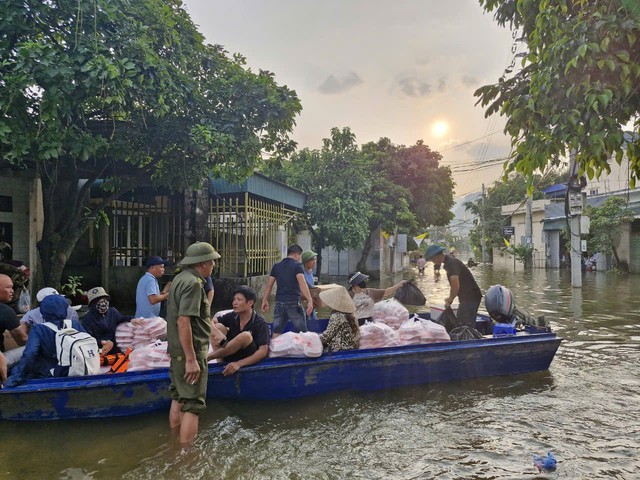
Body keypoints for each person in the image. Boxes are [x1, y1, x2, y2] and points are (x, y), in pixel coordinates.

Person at [166, 241, 220, 444]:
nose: (214, 265)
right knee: (193, 404)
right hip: (190, 351)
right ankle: (186, 457)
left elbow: (173, 318)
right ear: (203, 263)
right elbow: (183, 321)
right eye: (212, 262)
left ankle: (173, 442)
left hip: (176, 349)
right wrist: (191, 358)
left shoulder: (179, 279)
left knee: (179, 396)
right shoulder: (194, 284)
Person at [5, 295, 87, 387]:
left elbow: (29, 355)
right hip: (75, 370)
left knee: (13, 369)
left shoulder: (39, 330)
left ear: (43, 311)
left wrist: (14, 380)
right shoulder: (75, 324)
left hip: (47, 374)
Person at [208, 286, 269, 376]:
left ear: (250, 303)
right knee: (217, 326)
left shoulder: (260, 322)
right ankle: (220, 363)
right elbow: (209, 322)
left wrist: (239, 364)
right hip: (229, 354)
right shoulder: (233, 315)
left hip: (245, 358)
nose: (234, 303)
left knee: (246, 336)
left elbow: (263, 352)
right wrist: (217, 333)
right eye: (234, 300)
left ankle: (209, 357)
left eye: (239, 300)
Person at [424, 244, 482, 329]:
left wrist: (450, 300)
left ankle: (467, 340)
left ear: (438, 256)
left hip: (471, 296)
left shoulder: (451, 263)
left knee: (465, 325)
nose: (432, 261)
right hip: (466, 297)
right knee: (462, 322)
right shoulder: (448, 262)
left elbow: (455, 286)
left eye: (432, 259)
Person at [261, 244, 313, 336]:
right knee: (303, 332)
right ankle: (303, 349)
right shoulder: (297, 266)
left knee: (276, 331)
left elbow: (269, 285)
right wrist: (310, 300)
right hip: (293, 303)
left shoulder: (276, 266)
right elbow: (302, 283)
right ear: (296, 254)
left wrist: (264, 300)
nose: (299, 259)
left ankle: (275, 349)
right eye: (299, 256)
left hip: (279, 303)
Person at [83, 287, 141, 355]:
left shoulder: (112, 311)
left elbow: (121, 318)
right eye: (98, 300)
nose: (103, 302)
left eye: (104, 299)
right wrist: (102, 342)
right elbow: (87, 339)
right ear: (92, 304)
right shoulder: (88, 319)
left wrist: (131, 319)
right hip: (100, 350)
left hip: (116, 349)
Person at [318, 286, 360, 352]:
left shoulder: (337, 316)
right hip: (352, 347)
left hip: (339, 349)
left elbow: (327, 336)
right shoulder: (352, 314)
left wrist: (316, 340)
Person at [0, 273, 24, 374]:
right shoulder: (4, 311)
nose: (12, 291)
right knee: (32, 348)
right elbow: (23, 339)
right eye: (8, 287)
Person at [301, 249, 318, 321]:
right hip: (303, 303)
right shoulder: (301, 272)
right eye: (312, 260)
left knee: (314, 322)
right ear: (306, 262)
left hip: (310, 303)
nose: (314, 262)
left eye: (315, 259)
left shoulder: (310, 272)